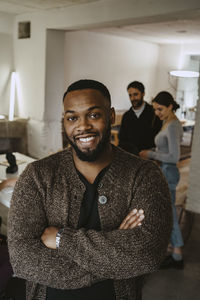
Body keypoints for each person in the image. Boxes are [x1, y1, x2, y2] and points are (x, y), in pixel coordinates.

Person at [8, 79, 172, 300]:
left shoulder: (144, 175)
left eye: (94, 115)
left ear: (111, 116)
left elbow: (148, 254)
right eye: (72, 117)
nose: (83, 126)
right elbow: (23, 260)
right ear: (64, 122)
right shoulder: (38, 176)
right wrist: (117, 255)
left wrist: (60, 240)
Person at [139, 91, 184, 270]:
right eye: (155, 109)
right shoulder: (167, 122)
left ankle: (177, 254)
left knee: (170, 215)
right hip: (164, 170)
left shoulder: (173, 125)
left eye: (160, 109)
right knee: (166, 213)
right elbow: (165, 149)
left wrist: (149, 154)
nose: (157, 113)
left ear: (170, 106)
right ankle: (172, 250)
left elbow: (174, 156)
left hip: (169, 172)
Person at [119, 81, 162, 155]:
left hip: (150, 157)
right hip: (130, 157)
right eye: (130, 95)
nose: (132, 98)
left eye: (135, 94)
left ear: (143, 94)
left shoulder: (154, 113)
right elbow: (122, 140)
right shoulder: (126, 116)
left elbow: (160, 139)